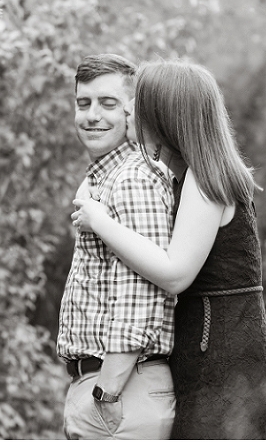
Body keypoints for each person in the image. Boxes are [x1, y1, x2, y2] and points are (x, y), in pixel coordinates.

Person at [73, 60, 266, 439]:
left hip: (225, 367)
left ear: (167, 116)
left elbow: (175, 273)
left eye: (141, 106)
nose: (133, 114)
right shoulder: (186, 176)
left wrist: (102, 223)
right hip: (205, 359)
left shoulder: (207, 180)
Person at [57, 54, 177, 439]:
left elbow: (140, 293)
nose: (93, 115)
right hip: (117, 392)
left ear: (131, 111)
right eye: (83, 103)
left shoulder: (131, 179)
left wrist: (104, 393)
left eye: (108, 103)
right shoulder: (106, 180)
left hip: (122, 393)